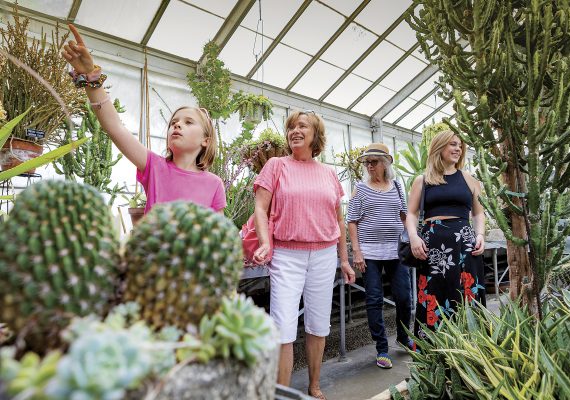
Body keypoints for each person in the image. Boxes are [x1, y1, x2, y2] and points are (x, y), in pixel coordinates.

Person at [61, 24, 225, 213]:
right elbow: (115, 128)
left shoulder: (214, 184)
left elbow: (218, 234)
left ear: (206, 140)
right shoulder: (155, 166)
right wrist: (90, 77)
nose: (177, 124)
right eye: (174, 122)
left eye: (188, 122)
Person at [253, 110, 355, 400]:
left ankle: (314, 385)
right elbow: (260, 208)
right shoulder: (276, 165)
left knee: (318, 323)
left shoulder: (329, 173)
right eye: (291, 127)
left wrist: (344, 260)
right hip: (286, 254)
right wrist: (265, 243)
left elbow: (338, 218)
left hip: (323, 255)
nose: (294, 131)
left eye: (302, 126)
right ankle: (281, 394)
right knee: (283, 326)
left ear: (315, 135)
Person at [405, 130, 486, 345]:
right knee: (434, 296)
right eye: (452, 144)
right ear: (439, 148)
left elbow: (479, 212)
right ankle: (431, 354)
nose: (458, 149)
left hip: (465, 245)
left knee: (467, 297)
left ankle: (471, 351)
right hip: (434, 248)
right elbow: (411, 214)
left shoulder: (468, 179)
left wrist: (480, 235)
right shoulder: (422, 181)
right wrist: (413, 237)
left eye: (459, 145)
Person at [346, 143, 412, 369]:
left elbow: (405, 216)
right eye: (367, 162)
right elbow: (352, 221)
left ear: (385, 163)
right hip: (370, 253)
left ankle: (403, 338)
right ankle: (382, 348)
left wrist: (414, 237)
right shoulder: (360, 189)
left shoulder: (396, 186)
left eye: (374, 162)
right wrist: (357, 251)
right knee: (374, 300)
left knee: (404, 297)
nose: (369, 166)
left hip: (396, 251)